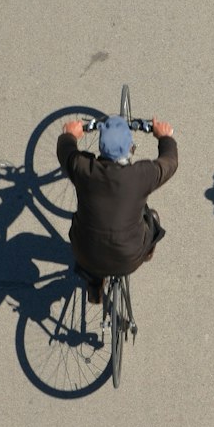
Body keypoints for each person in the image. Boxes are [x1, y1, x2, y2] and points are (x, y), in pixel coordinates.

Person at [57, 114, 177, 303]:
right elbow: (169, 163)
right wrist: (165, 138)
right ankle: (147, 252)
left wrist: (70, 135)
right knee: (151, 216)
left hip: (84, 255)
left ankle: (94, 284)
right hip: (129, 258)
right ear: (130, 148)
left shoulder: (82, 168)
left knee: (88, 238)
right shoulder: (141, 175)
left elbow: (65, 149)